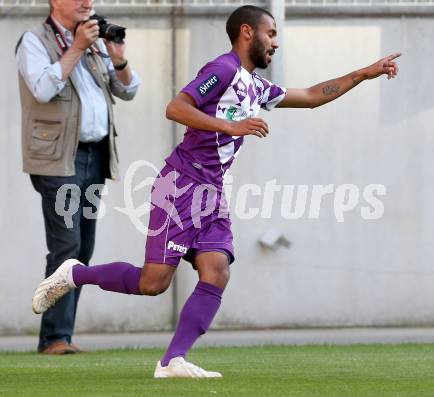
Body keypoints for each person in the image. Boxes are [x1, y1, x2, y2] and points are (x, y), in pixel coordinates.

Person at [31, 5, 399, 373]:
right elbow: (176, 107)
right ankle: (73, 274)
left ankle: (173, 360)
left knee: (217, 270)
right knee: (153, 283)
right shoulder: (222, 70)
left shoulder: (256, 86)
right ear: (247, 32)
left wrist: (364, 74)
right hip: (181, 186)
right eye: (271, 34)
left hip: (213, 193)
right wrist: (229, 126)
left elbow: (313, 94)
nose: (275, 43)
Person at [16, 0, 140, 354]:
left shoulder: (94, 39)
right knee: (67, 246)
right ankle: (54, 338)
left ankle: (61, 335)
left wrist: (118, 56)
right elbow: (42, 89)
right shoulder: (34, 41)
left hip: (95, 157)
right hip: (58, 160)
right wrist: (77, 48)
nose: (88, 3)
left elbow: (128, 91)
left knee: (82, 249)